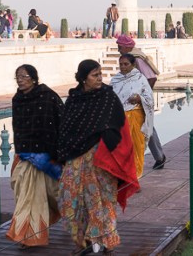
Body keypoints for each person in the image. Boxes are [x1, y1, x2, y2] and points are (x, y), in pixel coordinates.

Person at [57, 60, 139, 256]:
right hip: (76, 157)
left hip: (101, 158)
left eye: (101, 74)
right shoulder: (74, 99)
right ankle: (83, 241)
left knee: (101, 200)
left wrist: (104, 141)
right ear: (83, 78)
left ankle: (107, 241)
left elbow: (118, 125)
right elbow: (65, 129)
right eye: (95, 75)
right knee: (71, 199)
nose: (100, 78)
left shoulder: (107, 97)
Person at [6, 65, 65, 249]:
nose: (20, 80)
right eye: (17, 77)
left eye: (24, 76)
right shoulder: (18, 99)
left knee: (54, 196)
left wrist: (56, 153)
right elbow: (18, 128)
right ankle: (27, 236)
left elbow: (60, 121)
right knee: (25, 195)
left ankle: (81, 225)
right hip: (25, 155)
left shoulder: (47, 96)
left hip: (47, 156)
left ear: (33, 78)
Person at [115, 34, 166, 169]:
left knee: (147, 128)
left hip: (138, 103)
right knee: (145, 128)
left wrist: (142, 97)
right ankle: (158, 157)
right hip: (128, 106)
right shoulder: (130, 58)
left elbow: (151, 78)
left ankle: (157, 157)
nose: (118, 50)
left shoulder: (137, 58)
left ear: (126, 47)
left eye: (120, 47)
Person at [109, 53, 154, 177]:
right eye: (121, 64)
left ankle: (135, 177)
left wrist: (140, 98)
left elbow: (149, 98)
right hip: (119, 119)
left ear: (133, 65)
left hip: (136, 116)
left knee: (135, 147)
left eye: (126, 64)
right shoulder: (115, 80)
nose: (123, 67)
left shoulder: (140, 78)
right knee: (122, 149)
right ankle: (124, 176)